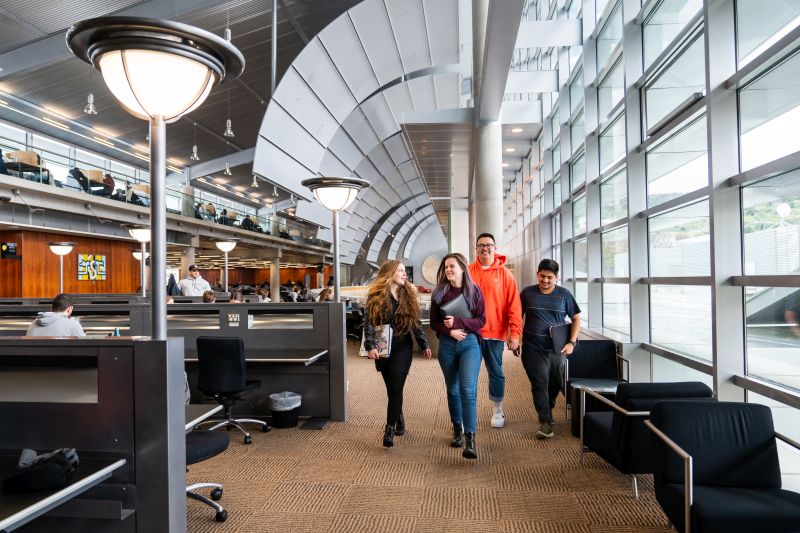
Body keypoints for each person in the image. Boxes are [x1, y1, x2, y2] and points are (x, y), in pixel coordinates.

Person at [364, 260, 431, 448]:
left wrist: (424, 343)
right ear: (390, 272)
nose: (404, 274)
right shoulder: (376, 295)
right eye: (400, 271)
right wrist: (370, 345)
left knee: (395, 387)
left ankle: (389, 429)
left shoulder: (407, 294)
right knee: (392, 388)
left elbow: (415, 322)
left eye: (404, 271)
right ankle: (399, 417)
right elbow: (369, 322)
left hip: (402, 347)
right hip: (383, 347)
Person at [430, 253, 486, 459]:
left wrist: (459, 323)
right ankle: (457, 428)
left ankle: (470, 438)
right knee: (453, 390)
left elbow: (481, 321)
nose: (449, 270)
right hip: (447, 345)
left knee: (467, 389)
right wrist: (449, 330)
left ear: (463, 267)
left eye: (452, 266)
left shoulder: (474, 291)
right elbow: (434, 322)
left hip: (469, 344)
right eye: (446, 267)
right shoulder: (439, 293)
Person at [519, 259, 581, 439]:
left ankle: (548, 405)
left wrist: (571, 342)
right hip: (532, 346)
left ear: (556, 277)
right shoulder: (527, 293)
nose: (545, 281)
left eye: (550, 277)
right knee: (540, 382)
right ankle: (545, 422)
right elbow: (516, 316)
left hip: (557, 348)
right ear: (537, 274)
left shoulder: (564, 295)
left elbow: (576, 318)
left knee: (555, 382)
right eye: (542, 276)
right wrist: (514, 337)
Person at [468, 233, 523, 429]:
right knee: (468, 374)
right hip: (471, 334)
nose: (485, 248)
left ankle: (497, 409)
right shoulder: (467, 272)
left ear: (495, 247)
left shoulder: (505, 275)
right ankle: (469, 411)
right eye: (481, 245)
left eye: (489, 245)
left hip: (495, 334)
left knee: (496, 373)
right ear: (476, 249)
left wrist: (515, 334)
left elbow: (514, 307)